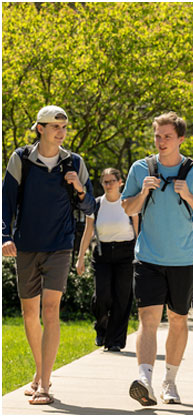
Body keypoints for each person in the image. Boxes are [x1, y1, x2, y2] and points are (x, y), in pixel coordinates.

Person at [121, 112, 193, 406]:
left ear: (180, 139)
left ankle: (169, 382)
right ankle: (144, 380)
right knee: (147, 319)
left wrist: (188, 195)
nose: (161, 141)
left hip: (184, 259)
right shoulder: (141, 169)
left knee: (178, 319)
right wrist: (143, 192)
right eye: (158, 136)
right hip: (149, 257)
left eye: (167, 136)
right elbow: (127, 207)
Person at [1, 105, 96, 406]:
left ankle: (44, 384)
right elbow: (5, 202)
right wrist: (4, 236)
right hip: (26, 244)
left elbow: (90, 207)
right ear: (40, 128)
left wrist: (79, 189)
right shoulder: (21, 160)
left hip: (60, 245)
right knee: (29, 313)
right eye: (55, 126)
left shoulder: (74, 162)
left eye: (64, 127)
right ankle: (40, 373)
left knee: (50, 310)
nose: (61, 131)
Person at [76, 167, 139, 353]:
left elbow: (137, 230)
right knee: (102, 295)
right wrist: (80, 258)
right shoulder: (96, 204)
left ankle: (115, 341)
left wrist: (140, 253)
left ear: (120, 182)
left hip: (126, 254)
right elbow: (88, 232)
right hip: (103, 254)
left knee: (122, 298)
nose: (109, 185)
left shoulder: (128, 203)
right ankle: (101, 327)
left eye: (112, 181)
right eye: (105, 181)